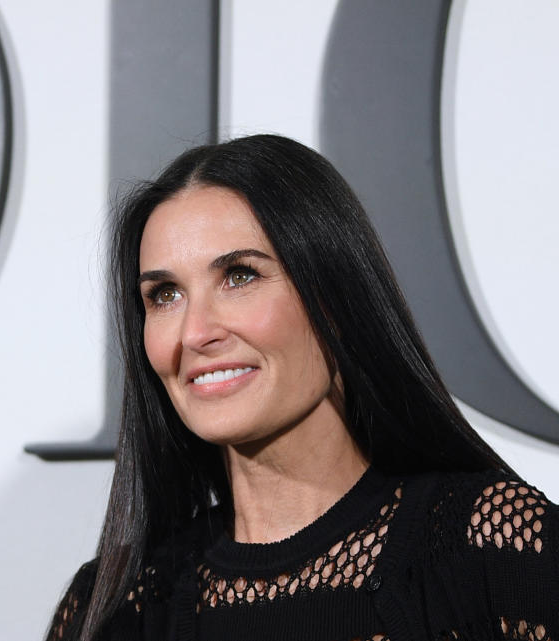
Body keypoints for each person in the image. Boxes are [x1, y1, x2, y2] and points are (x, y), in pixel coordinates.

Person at [44, 135, 558, 641]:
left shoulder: (493, 550)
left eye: (240, 276)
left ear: (335, 300)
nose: (194, 332)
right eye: (166, 294)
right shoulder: (112, 611)